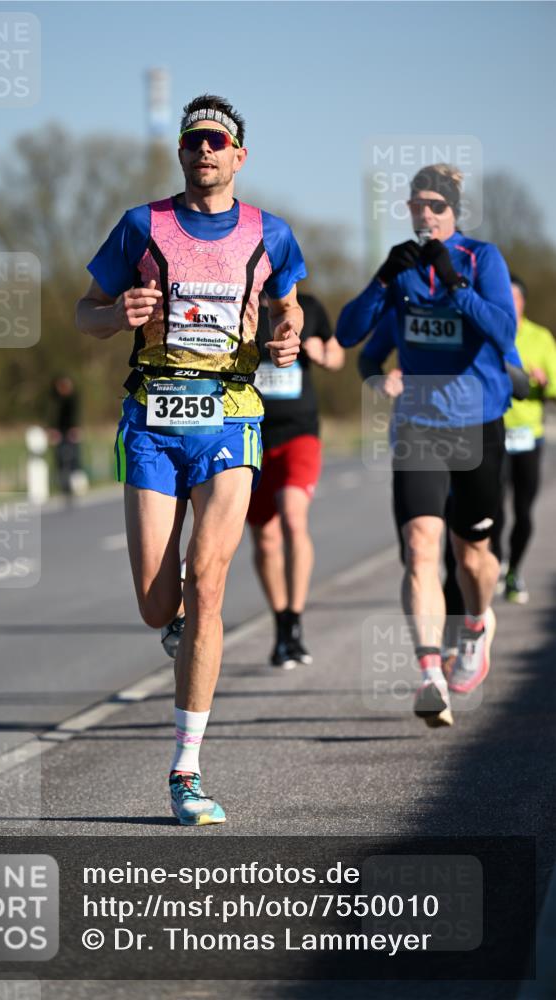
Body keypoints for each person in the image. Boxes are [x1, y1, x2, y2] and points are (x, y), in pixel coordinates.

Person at [75, 94, 306, 825]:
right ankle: (175, 626)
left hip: (230, 414)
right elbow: (86, 310)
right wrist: (116, 316)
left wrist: (285, 334)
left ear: (239, 154)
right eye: (192, 140)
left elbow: (289, 305)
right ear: (181, 153)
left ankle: (186, 772)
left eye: (216, 140)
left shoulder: (270, 232)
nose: (203, 149)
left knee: (208, 584)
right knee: (156, 605)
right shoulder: (143, 225)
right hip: (152, 417)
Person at [337, 163, 516, 728]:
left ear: (454, 210)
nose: (425, 214)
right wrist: (382, 281)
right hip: (417, 427)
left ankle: (478, 624)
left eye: (436, 205)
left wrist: (457, 286)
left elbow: (504, 333)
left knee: (473, 558)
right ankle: (429, 675)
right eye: (417, 204)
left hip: (477, 422)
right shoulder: (404, 272)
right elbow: (352, 340)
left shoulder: (480, 259)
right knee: (420, 549)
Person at [358, 313, 529, 673]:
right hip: (419, 446)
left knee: (464, 558)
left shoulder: (481, 315)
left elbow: (522, 384)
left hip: (477, 447)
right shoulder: (407, 307)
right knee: (420, 553)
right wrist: (383, 382)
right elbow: (366, 354)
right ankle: (434, 667)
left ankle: (470, 632)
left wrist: (484, 372)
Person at [248, 292, 344, 668]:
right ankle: (281, 624)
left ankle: (296, 620)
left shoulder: (309, 308)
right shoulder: (239, 303)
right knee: (266, 538)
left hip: (299, 432)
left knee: (292, 517)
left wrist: (322, 353)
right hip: (249, 435)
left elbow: (338, 355)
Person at [491, 275, 556, 603]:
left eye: (513, 298)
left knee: (523, 509)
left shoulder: (540, 338)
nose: (508, 303)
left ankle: (515, 569)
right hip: (494, 431)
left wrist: (543, 382)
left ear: (523, 302)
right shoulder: (489, 332)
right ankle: (498, 561)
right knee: (494, 505)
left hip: (528, 435)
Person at [48, 375, 83, 496]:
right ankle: (62, 484)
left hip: (71, 431)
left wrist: (74, 429)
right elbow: (52, 416)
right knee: (60, 458)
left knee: (74, 457)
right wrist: (53, 430)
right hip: (59, 431)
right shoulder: (54, 399)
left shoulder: (73, 398)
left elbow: (75, 415)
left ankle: (77, 484)